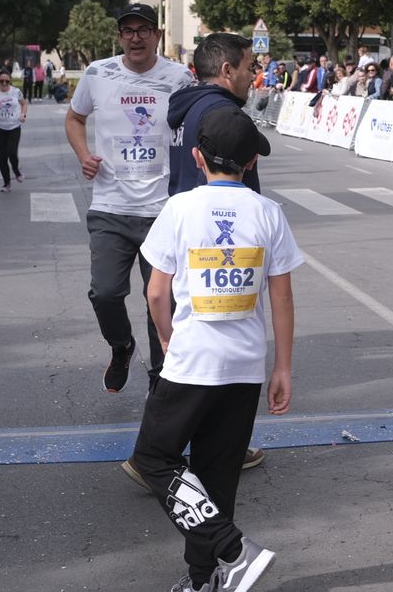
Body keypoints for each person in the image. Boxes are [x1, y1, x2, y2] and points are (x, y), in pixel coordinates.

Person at [126, 107, 298, 592]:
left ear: (197, 156)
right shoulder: (269, 213)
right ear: (251, 163)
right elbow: (281, 297)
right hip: (244, 367)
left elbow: (156, 292)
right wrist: (282, 366)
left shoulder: (179, 208)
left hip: (190, 362)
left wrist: (164, 337)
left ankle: (233, 550)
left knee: (154, 458)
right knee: (216, 478)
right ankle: (202, 580)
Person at [65, 3, 195, 393]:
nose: (135, 37)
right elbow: (74, 118)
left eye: (144, 30)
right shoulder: (98, 73)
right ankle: (121, 346)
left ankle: (161, 380)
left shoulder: (179, 77)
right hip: (111, 205)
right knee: (104, 293)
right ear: (120, 36)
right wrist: (84, 155)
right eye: (128, 31)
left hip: (163, 209)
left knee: (163, 302)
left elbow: (200, 122)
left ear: (157, 35)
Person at [0, 70, 27, 192]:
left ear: (10, 81)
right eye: (1, 81)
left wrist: (23, 114)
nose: (4, 83)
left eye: (6, 81)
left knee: (12, 153)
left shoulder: (16, 92)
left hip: (14, 127)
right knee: (2, 157)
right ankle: (6, 183)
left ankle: (16, 171)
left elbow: (24, 103)